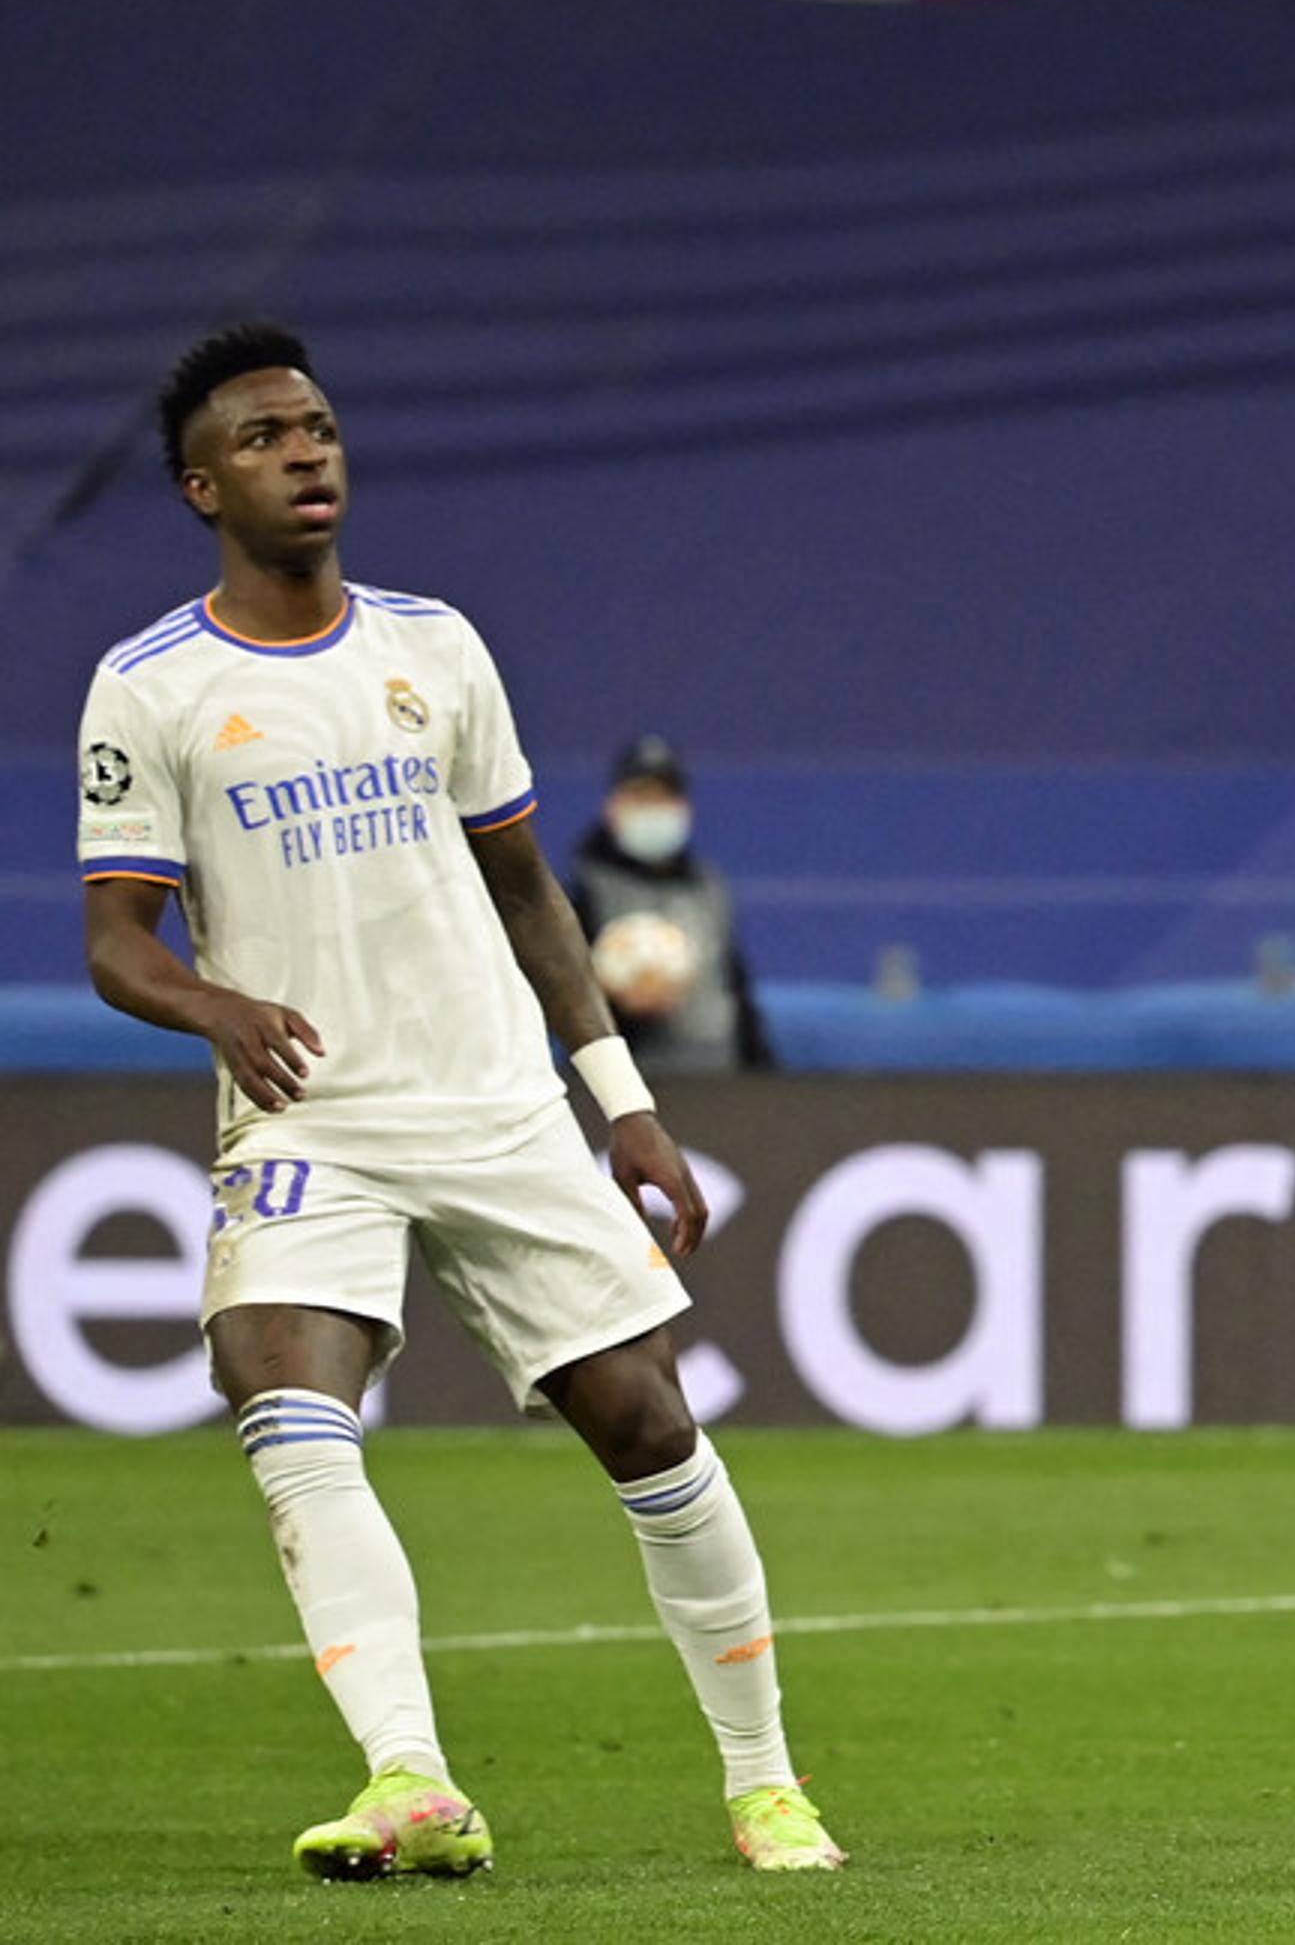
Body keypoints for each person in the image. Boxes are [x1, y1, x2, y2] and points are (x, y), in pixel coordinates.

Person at [75, 326, 844, 1881]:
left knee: (647, 1420)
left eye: (321, 424)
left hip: (494, 1099)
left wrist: (619, 1096)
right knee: (276, 1384)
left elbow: (528, 892)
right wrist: (216, 1004)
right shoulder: (150, 686)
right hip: (311, 1116)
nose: (309, 450)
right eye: (270, 435)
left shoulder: (436, 645)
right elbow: (114, 944)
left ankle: (767, 1783)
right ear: (201, 482)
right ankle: (410, 1773)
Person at [566, 734, 776, 1078]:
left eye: (664, 798)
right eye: (641, 797)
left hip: (723, 1081)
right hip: (639, 1084)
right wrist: (623, 1008)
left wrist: (765, 1076)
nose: (653, 808)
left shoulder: (708, 885)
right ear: (614, 806)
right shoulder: (586, 890)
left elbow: (735, 987)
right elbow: (569, 1009)